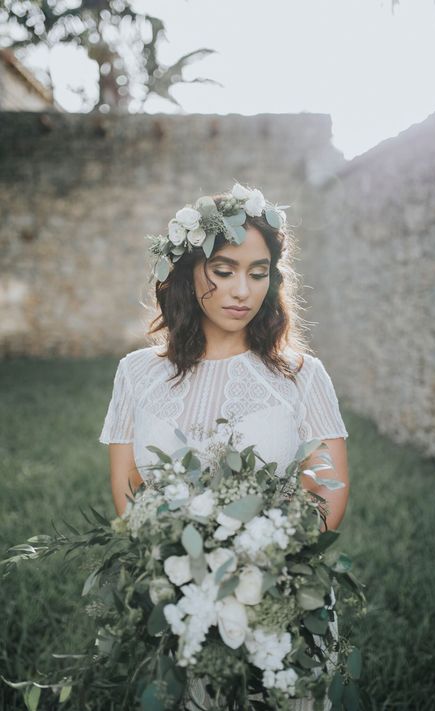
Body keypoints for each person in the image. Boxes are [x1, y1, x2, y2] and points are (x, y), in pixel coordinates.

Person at [99, 183, 349, 710]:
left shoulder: (302, 375)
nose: (243, 290)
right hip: (177, 597)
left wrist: (266, 579)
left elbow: (328, 492)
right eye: (225, 270)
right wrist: (173, 570)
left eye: (259, 273)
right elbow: (128, 486)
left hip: (278, 595)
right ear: (190, 273)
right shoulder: (136, 374)